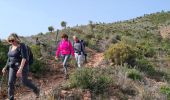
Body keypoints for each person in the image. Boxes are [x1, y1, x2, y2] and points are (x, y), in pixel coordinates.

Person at [1, 33, 40, 100]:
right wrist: (5, 67)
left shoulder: (22, 46)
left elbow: (24, 58)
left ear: (16, 39)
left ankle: (36, 89)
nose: (11, 42)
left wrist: (20, 69)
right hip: (12, 66)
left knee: (24, 81)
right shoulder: (10, 47)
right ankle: (11, 98)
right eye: (9, 41)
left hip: (22, 66)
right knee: (10, 82)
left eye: (12, 40)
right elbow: (9, 58)